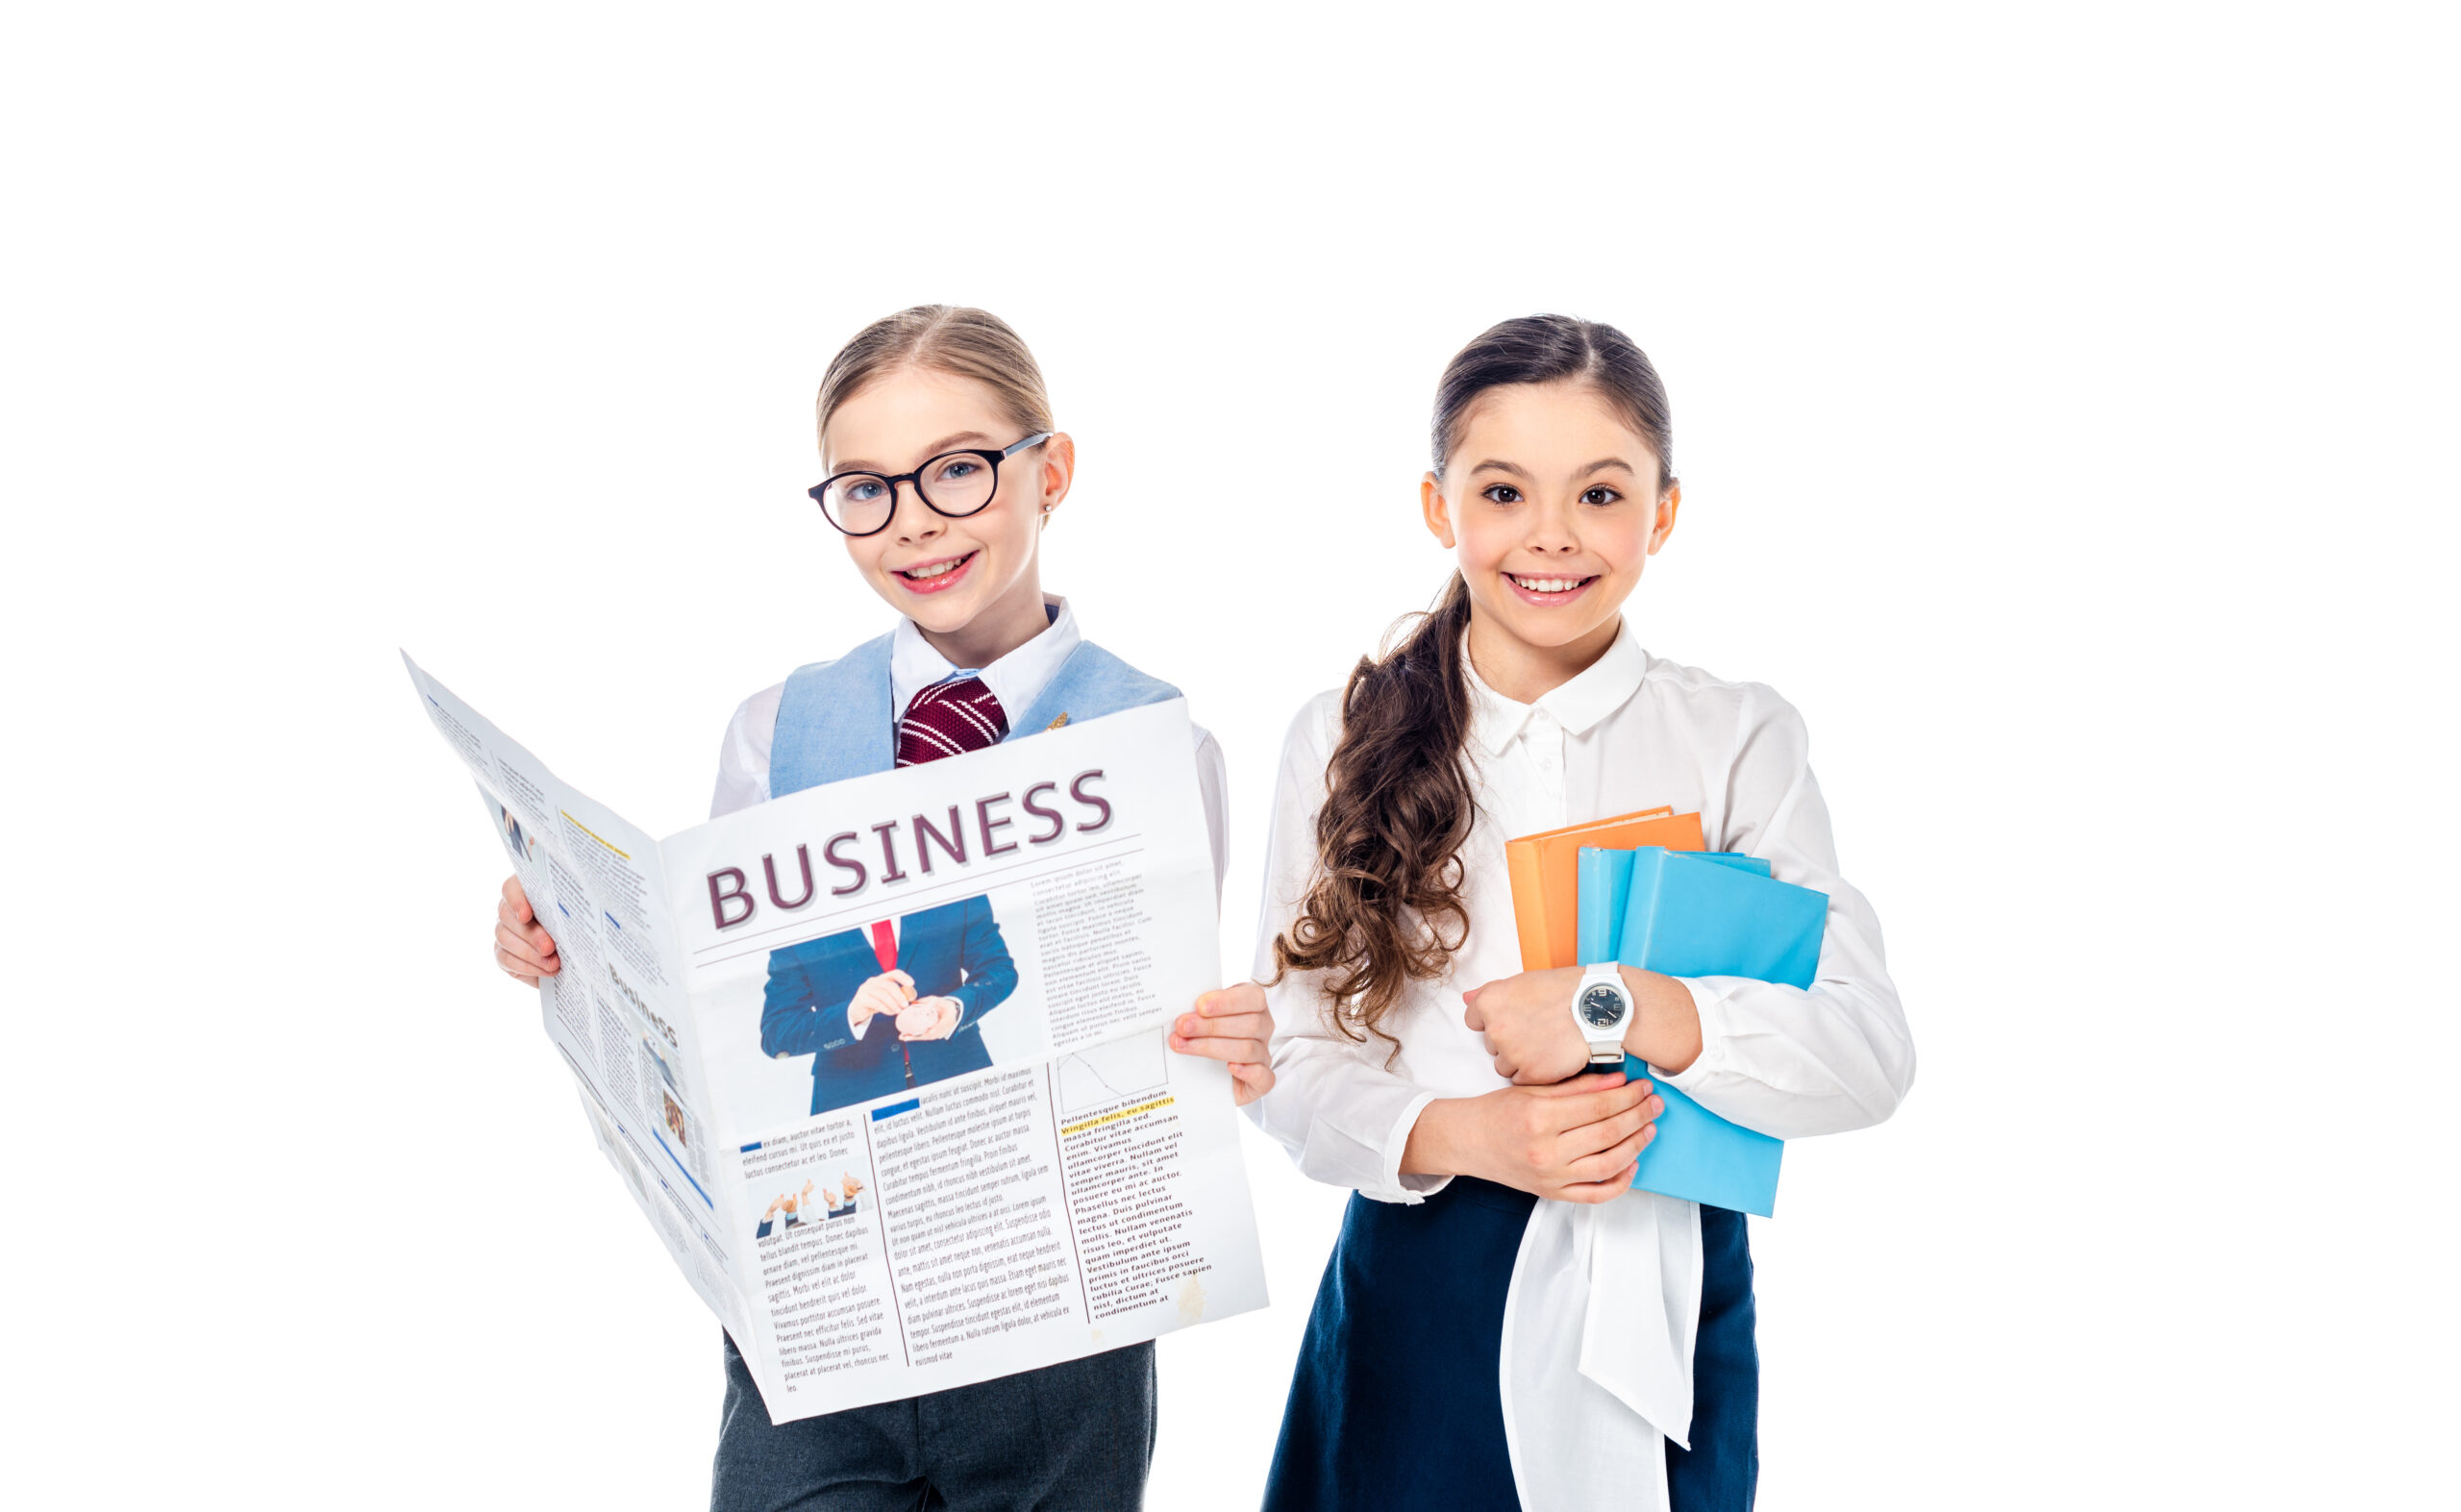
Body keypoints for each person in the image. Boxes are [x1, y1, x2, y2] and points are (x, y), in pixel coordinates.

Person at [488, 304, 1274, 1512]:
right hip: (822, 1308)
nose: (912, 520)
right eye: (864, 487)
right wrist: (570, 940)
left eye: (957, 470)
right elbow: (719, 1000)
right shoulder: (775, 728)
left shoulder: (1157, 741)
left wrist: (1236, 1044)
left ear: (1049, 471)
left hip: (1053, 1337)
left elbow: (1153, 1023)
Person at [1247, 315, 1915, 1512]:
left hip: (1664, 1287)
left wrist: (1617, 1004)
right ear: (1436, 504)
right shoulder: (1339, 735)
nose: (1550, 533)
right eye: (1502, 489)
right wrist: (1474, 1133)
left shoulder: (1737, 741)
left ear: (1662, 512)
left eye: (1599, 492)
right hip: (1424, 1284)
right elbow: (1295, 1061)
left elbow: (1865, 1052)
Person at [759, 894, 1017, 1112]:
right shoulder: (794, 916)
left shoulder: (951, 882)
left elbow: (998, 970)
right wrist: (851, 1014)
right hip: (853, 1100)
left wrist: (956, 1007)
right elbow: (776, 1032)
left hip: (959, 1079)